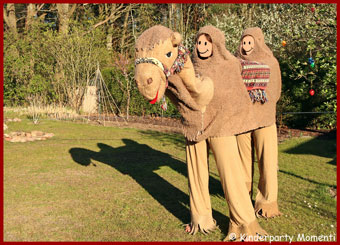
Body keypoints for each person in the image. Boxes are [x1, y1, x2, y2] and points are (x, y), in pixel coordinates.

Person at [180, 25, 267, 241]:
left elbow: (232, 97)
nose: (202, 47)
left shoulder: (227, 66)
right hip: (195, 126)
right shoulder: (190, 66)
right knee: (196, 176)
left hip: (221, 126)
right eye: (199, 42)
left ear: (216, 43)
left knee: (231, 175)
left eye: (207, 43)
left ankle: (244, 222)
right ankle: (200, 220)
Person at [235, 27, 282, 218]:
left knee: (267, 161)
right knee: (241, 161)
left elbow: (275, 92)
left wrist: (258, 98)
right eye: (244, 41)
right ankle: (242, 197)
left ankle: (267, 202)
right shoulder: (234, 63)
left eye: (251, 41)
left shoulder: (271, 62)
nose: (247, 45)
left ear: (259, 41)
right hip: (242, 120)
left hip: (264, 119)